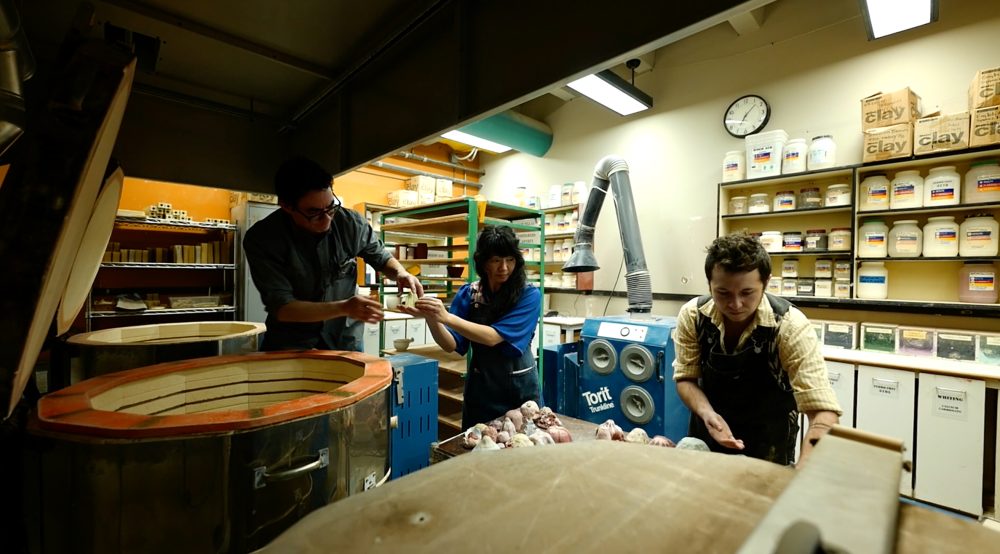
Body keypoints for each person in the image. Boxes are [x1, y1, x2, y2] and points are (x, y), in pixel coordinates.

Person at [672, 232, 841, 465]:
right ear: (709, 284)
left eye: (746, 292)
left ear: (766, 282)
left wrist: (807, 468)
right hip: (709, 436)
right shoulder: (693, 316)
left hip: (769, 442)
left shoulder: (789, 326)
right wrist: (707, 414)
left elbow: (822, 410)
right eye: (723, 293)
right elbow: (685, 378)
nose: (736, 304)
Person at [243, 156, 423, 351]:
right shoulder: (264, 239)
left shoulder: (350, 223)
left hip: (344, 338)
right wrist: (344, 307)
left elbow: (381, 257)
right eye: (314, 213)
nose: (327, 219)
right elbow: (283, 308)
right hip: (292, 341)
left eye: (330, 207)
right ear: (287, 206)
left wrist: (400, 273)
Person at [402, 225, 541, 428]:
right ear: (484, 263)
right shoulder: (470, 293)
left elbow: (493, 337)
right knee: (476, 448)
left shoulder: (528, 296)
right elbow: (451, 345)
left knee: (521, 449)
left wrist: (446, 317)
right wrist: (432, 318)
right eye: (496, 260)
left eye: (510, 260)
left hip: (518, 390)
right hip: (482, 390)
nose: (504, 267)